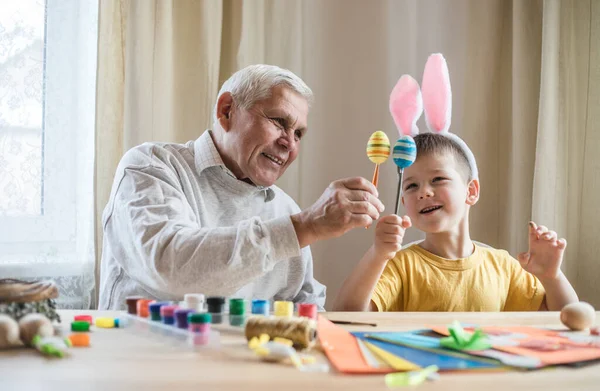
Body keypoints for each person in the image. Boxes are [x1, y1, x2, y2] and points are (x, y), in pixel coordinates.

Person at [98, 64, 384, 310]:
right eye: (279, 122)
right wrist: (305, 226)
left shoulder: (285, 209)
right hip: (143, 367)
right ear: (227, 110)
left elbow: (305, 306)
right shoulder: (151, 166)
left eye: (298, 133)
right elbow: (171, 267)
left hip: (246, 371)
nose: (289, 143)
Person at [333, 132, 579, 312]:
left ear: (471, 191)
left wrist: (551, 276)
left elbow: (566, 317)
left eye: (438, 179)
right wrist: (378, 254)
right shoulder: (401, 265)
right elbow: (347, 316)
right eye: (411, 185)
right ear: (404, 202)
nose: (423, 192)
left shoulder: (503, 266)